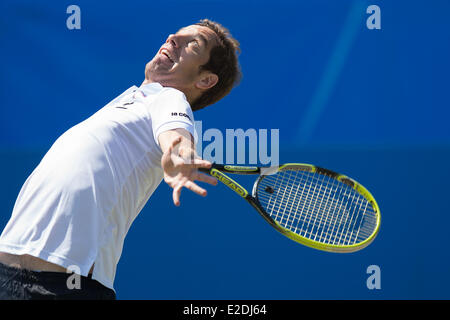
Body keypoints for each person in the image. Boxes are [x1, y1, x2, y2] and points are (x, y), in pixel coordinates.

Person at [0, 19, 241, 300]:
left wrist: (180, 157)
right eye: (178, 33)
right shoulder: (128, 104)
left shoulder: (170, 99)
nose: (174, 37)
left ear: (205, 80)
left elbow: (178, 137)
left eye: (193, 44)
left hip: (60, 287)